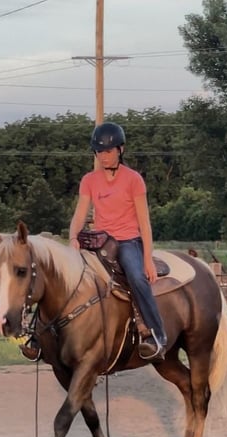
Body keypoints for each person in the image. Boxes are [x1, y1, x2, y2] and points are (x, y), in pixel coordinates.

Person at [69, 121, 168, 361]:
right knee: (65, 273)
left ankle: (157, 335)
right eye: (99, 151)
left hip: (127, 242)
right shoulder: (89, 181)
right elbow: (80, 215)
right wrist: (73, 238)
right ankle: (46, 334)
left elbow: (144, 223)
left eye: (109, 151)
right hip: (99, 242)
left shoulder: (133, 180)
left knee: (136, 277)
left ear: (120, 150)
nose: (104, 156)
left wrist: (147, 259)